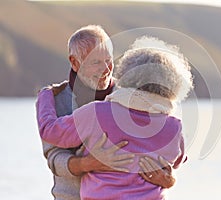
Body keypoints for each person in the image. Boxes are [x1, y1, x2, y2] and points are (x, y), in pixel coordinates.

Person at [36, 36, 193, 199]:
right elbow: (178, 160)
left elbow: (50, 131)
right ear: (172, 85)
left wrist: (45, 96)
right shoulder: (174, 127)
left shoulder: (97, 112)